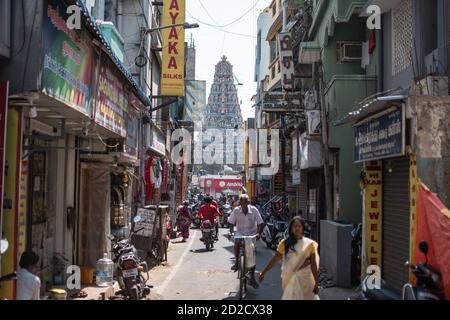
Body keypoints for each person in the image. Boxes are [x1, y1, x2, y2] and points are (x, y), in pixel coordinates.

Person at [259, 216, 320, 300]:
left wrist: (316, 283)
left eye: (299, 226)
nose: (297, 228)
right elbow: (275, 259)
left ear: (303, 228)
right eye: (295, 226)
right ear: (291, 228)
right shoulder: (284, 244)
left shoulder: (310, 245)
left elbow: (313, 264)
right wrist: (264, 272)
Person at [228, 194, 264, 289]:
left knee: (251, 257)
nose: (243, 205)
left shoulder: (254, 210)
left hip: (251, 234)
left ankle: (252, 277)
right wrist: (231, 232)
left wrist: (258, 233)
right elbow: (231, 223)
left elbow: (260, 223)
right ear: (239, 203)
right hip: (240, 232)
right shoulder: (236, 210)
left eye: (245, 202)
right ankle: (236, 261)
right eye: (241, 203)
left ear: (248, 203)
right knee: (237, 241)